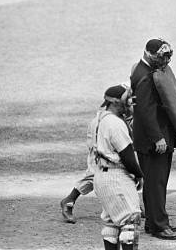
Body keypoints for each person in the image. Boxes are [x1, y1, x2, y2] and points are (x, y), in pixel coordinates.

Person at [131, 38, 176, 240]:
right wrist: (158, 138)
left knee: (154, 183)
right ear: (149, 54)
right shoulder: (145, 76)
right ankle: (158, 225)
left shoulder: (142, 70)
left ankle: (153, 222)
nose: (166, 61)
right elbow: (145, 112)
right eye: (162, 56)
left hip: (152, 138)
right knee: (157, 183)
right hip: (153, 141)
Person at [93, 84, 151, 250]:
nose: (130, 101)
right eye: (127, 97)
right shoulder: (115, 124)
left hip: (101, 176)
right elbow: (127, 155)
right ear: (115, 101)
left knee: (111, 220)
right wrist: (139, 174)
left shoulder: (99, 119)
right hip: (116, 176)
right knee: (130, 219)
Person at [59, 90, 144, 223]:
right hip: (99, 129)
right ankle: (69, 200)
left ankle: (132, 202)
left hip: (107, 126)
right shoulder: (115, 109)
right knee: (99, 169)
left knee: (119, 167)